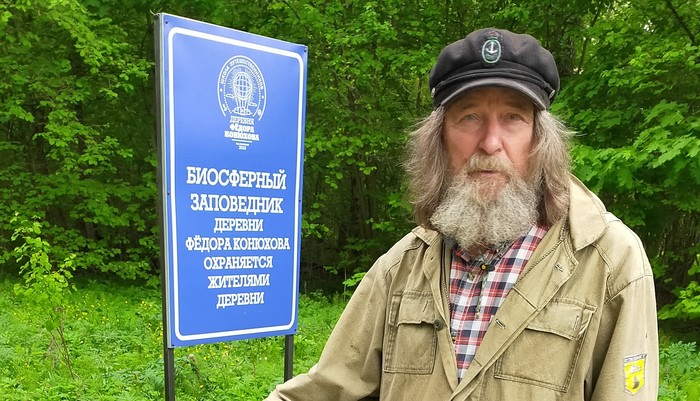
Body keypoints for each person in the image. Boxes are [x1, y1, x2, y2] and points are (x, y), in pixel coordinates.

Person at [265, 28, 659, 400]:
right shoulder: (401, 267)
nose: (490, 142)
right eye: (469, 117)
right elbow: (327, 389)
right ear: (438, 139)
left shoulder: (610, 262)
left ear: (541, 139)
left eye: (513, 118)